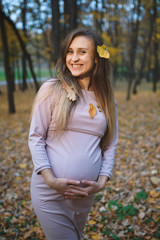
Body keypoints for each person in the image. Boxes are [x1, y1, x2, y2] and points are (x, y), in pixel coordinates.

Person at [28, 28, 118, 240]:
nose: (74, 58)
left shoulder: (107, 100)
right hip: (50, 191)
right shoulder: (52, 89)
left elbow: (110, 144)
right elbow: (36, 137)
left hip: (84, 195)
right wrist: (51, 180)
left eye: (82, 52)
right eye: (70, 52)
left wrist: (103, 180)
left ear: (96, 58)